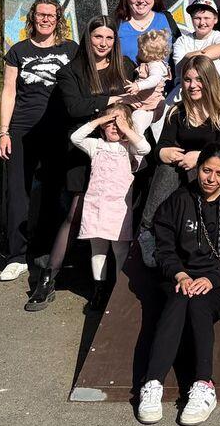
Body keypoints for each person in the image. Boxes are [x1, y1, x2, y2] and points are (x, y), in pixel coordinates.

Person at [27, 17, 139, 311]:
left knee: (122, 218)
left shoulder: (125, 66)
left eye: (109, 38)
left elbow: (139, 97)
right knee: (75, 214)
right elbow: (75, 107)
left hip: (120, 154)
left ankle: (114, 285)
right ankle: (48, 278)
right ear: (88, 39)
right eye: (97, 37)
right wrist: (112, 98)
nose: (103, 43)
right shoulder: (71, 71)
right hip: (84, 150)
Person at [136, 144, 220, 426]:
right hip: (183, 276)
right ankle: (152, 383)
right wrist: (180, 275)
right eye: (206, 170)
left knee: (198, 302)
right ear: (198, 169)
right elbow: (163, 248)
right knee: (179, 298)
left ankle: (203, 385)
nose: (211, 178)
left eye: (218, 173)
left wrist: (211, 279)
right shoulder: (179, 200)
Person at [0, 0, 77, 283]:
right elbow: (9, 91)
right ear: (33, 18)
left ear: (58, 20)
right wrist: (3, 132)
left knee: (55, 193)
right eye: (41, 15)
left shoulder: (70, 49)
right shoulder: (18, 51)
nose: (46, 20)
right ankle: (16, 257)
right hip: (22, 131)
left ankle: (45, 253)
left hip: (59, 131)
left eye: (51, 16)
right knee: (18, 193)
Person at [138, 54, 220, 265]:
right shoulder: (177, 111)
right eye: (188, 80)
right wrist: (162, 152)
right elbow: (163, 144)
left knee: (204, 168)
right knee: (166, 168)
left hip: (216, 168)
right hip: (181, 168)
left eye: (199, 79)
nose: (193, 85)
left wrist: (201, 157)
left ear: (209, 80)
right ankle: (147, 231)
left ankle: (204, 232)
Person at [69, 105, 151, 311]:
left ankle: (117, 290)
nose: (114, 126)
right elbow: (75, 137)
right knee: (97, 248)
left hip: (118, 209)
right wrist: (99, 120)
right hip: (96, 205)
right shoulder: (95, 145)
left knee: (120, 249)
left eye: (119, 122)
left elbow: (145, 148)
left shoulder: (128, 147)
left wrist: (126, 128)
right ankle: (99, 289)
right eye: (110, 123)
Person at [113, 0, 179, 65]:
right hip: (126, 79)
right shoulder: (116, 23)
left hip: (164, 78)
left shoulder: (166, 19)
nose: (141, 0)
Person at [173, 0, 220, 79]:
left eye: (207, 18)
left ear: (215, 19)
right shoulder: (182, 41)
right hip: (187, 88)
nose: (202, 22)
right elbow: (180, 68)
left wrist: (189, 57)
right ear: (191, 19)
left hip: (213, 87)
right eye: (197, 18)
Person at [126, 29, 170, 136]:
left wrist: (138, 85)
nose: (137, 52)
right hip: (144, 102)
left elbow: (154, 80)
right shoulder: (150, 64)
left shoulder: (155, 66)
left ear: (145, 52)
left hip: (150, 105)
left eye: (139, 50)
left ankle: (138, 142)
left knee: (137, 121)